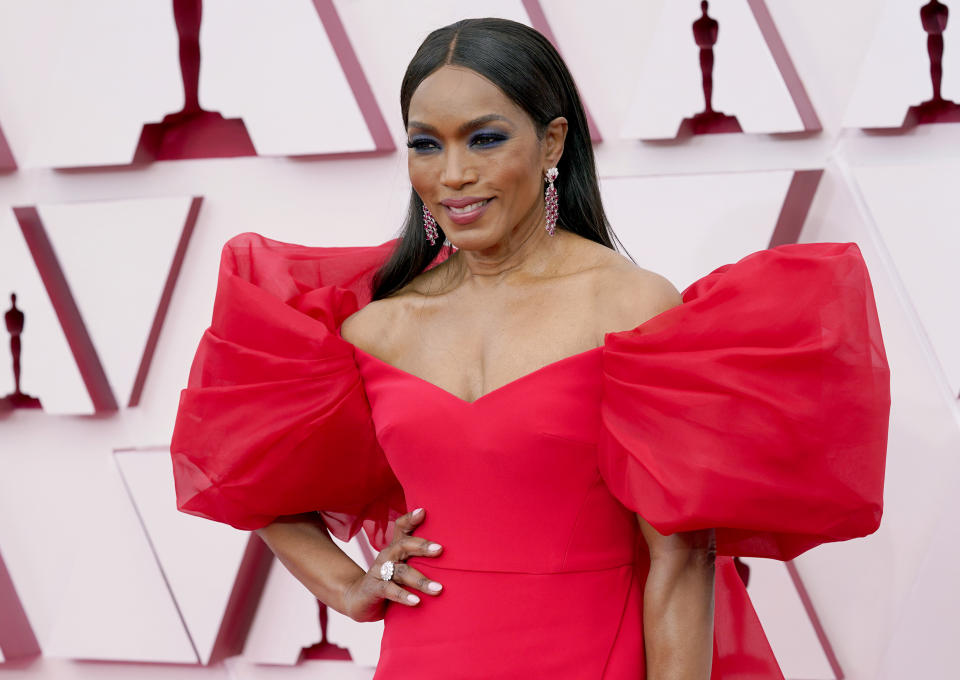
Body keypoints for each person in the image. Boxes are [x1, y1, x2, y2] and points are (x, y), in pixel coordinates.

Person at [170, 17, 890, 680]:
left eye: (484, 138)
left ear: (551, 142)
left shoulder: (630, 306)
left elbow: (683, 564)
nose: (452, 173)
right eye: (426, 143)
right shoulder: (377, 329)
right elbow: (244, 467)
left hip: (591, 651)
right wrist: (347, 586)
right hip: (425, 657)